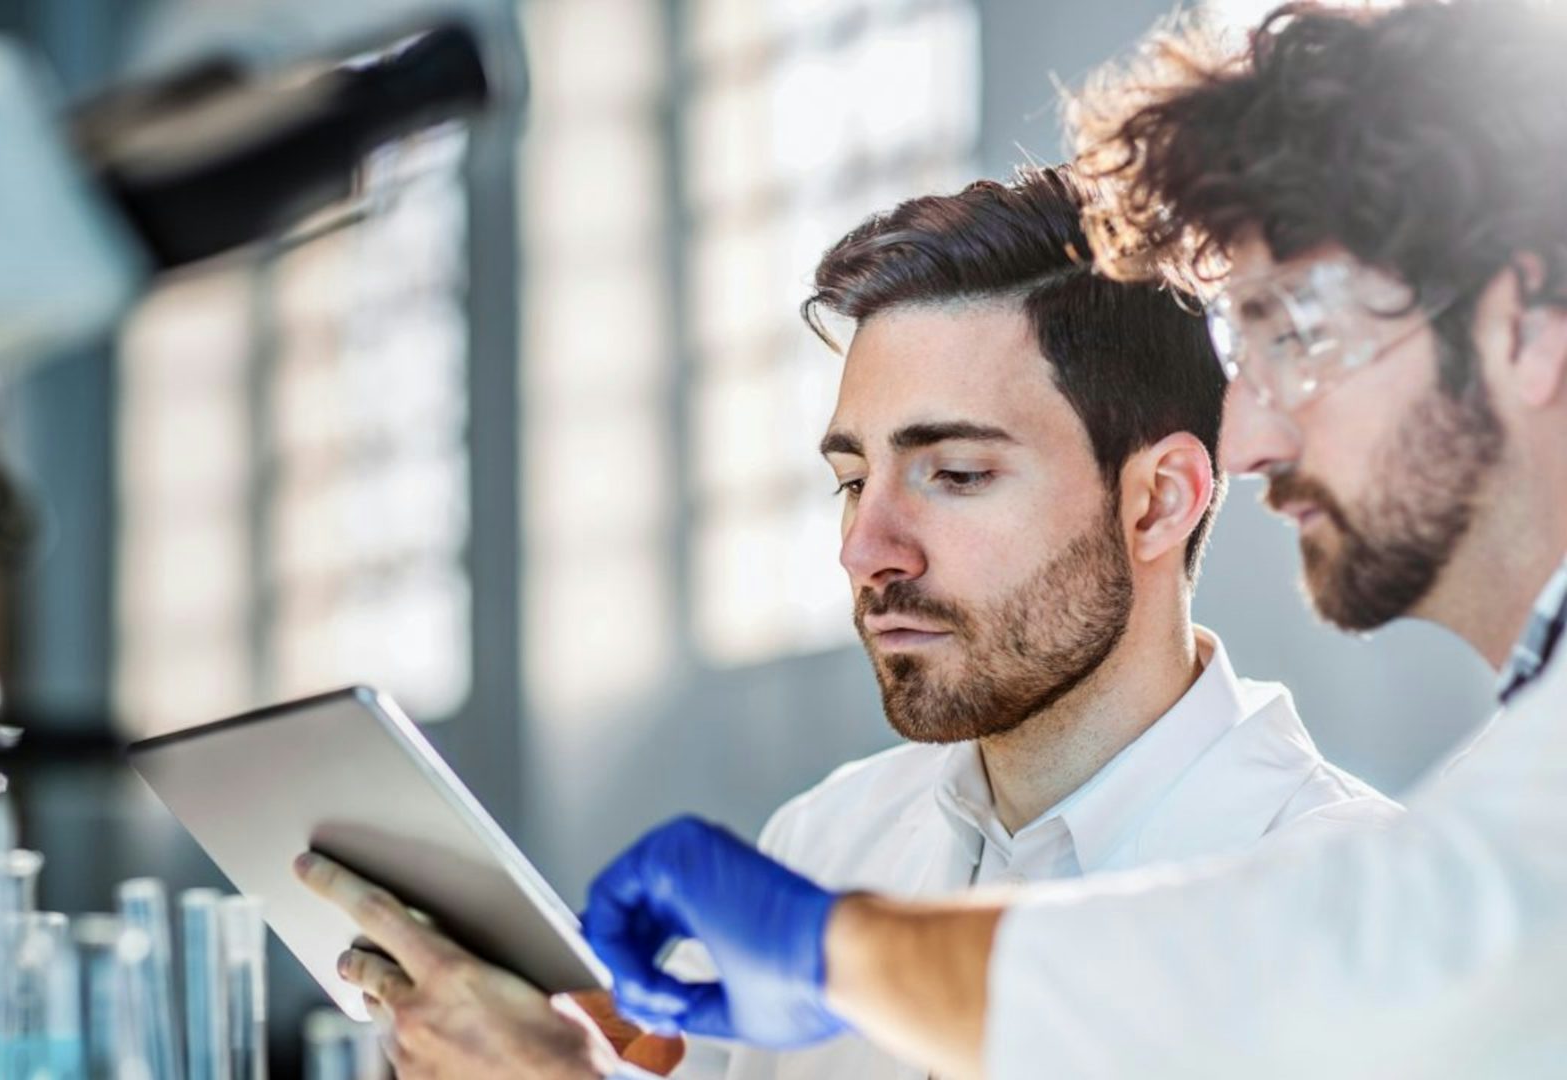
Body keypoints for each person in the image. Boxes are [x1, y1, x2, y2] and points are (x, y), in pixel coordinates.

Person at [578, 1, 1567, 1077]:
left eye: (1304, 336)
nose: (1255, 432)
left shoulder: (1357, 859)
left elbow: (1322, 974)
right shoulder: (828, 838)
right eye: (851, 480)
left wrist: (835, 948)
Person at [293, 167, 1401, 1079]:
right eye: (850, 480)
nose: (866, 549)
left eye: (956, 474)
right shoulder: (824, 845)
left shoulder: (1361, 910)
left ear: (1159, 500)